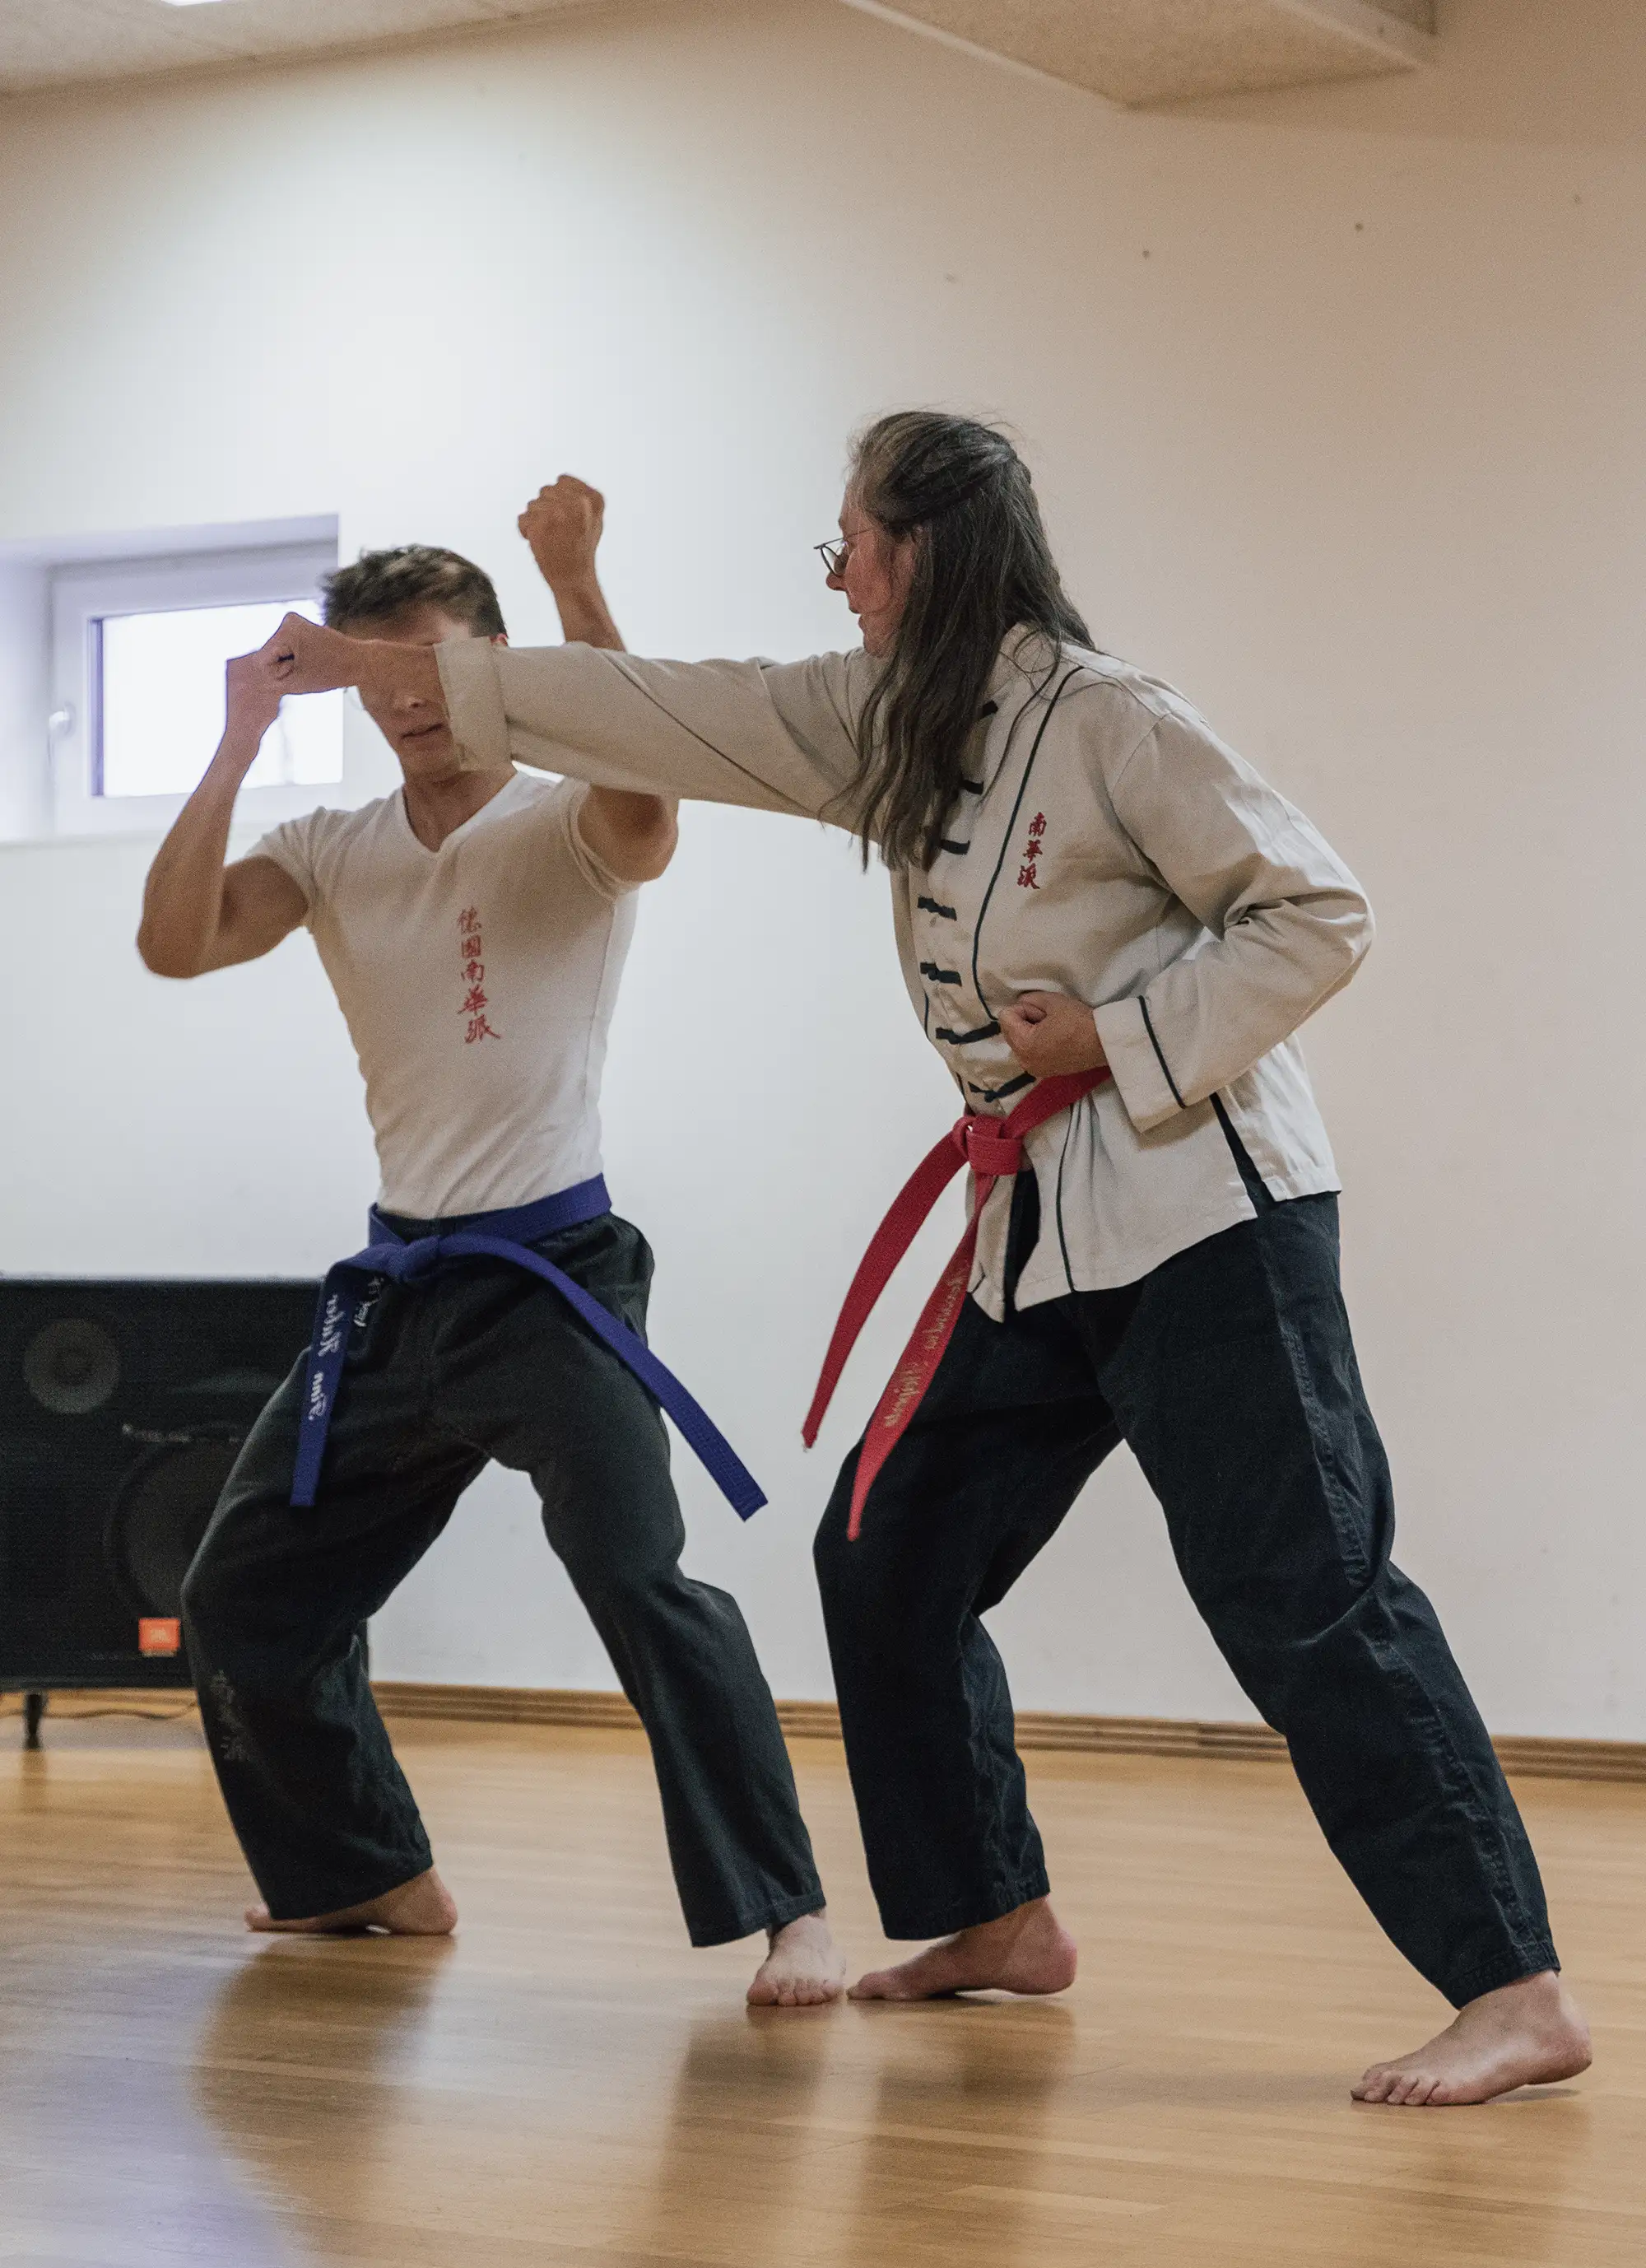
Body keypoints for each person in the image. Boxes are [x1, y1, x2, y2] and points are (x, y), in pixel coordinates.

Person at [261, 417, 1593, 2106]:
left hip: (1208, 1219)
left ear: (926, 551)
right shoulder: (881, 721)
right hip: (1038, 1230)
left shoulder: (1112, 724)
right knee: (889, 1550)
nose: (837, 580)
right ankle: (988, 1916)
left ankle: (1510, 1985)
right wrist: (385, 666)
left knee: (1301, 1592)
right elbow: (679, 709)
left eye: (850, 547)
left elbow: (1317, 914)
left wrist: (1111, 1035)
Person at [138, 482, 844, 2007]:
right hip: (396, 1296)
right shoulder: (330, 845)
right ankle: (368, 1875)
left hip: (554, 1282)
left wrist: (577, 578)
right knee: (246, 1593)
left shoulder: (565, 813)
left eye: (430, 674)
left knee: (638, 1577)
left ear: (491, 665)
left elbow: (651, 806)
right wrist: (239, 736)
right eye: (375, 680)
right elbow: (175, 942)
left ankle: (789, 1907)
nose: (406, 706)